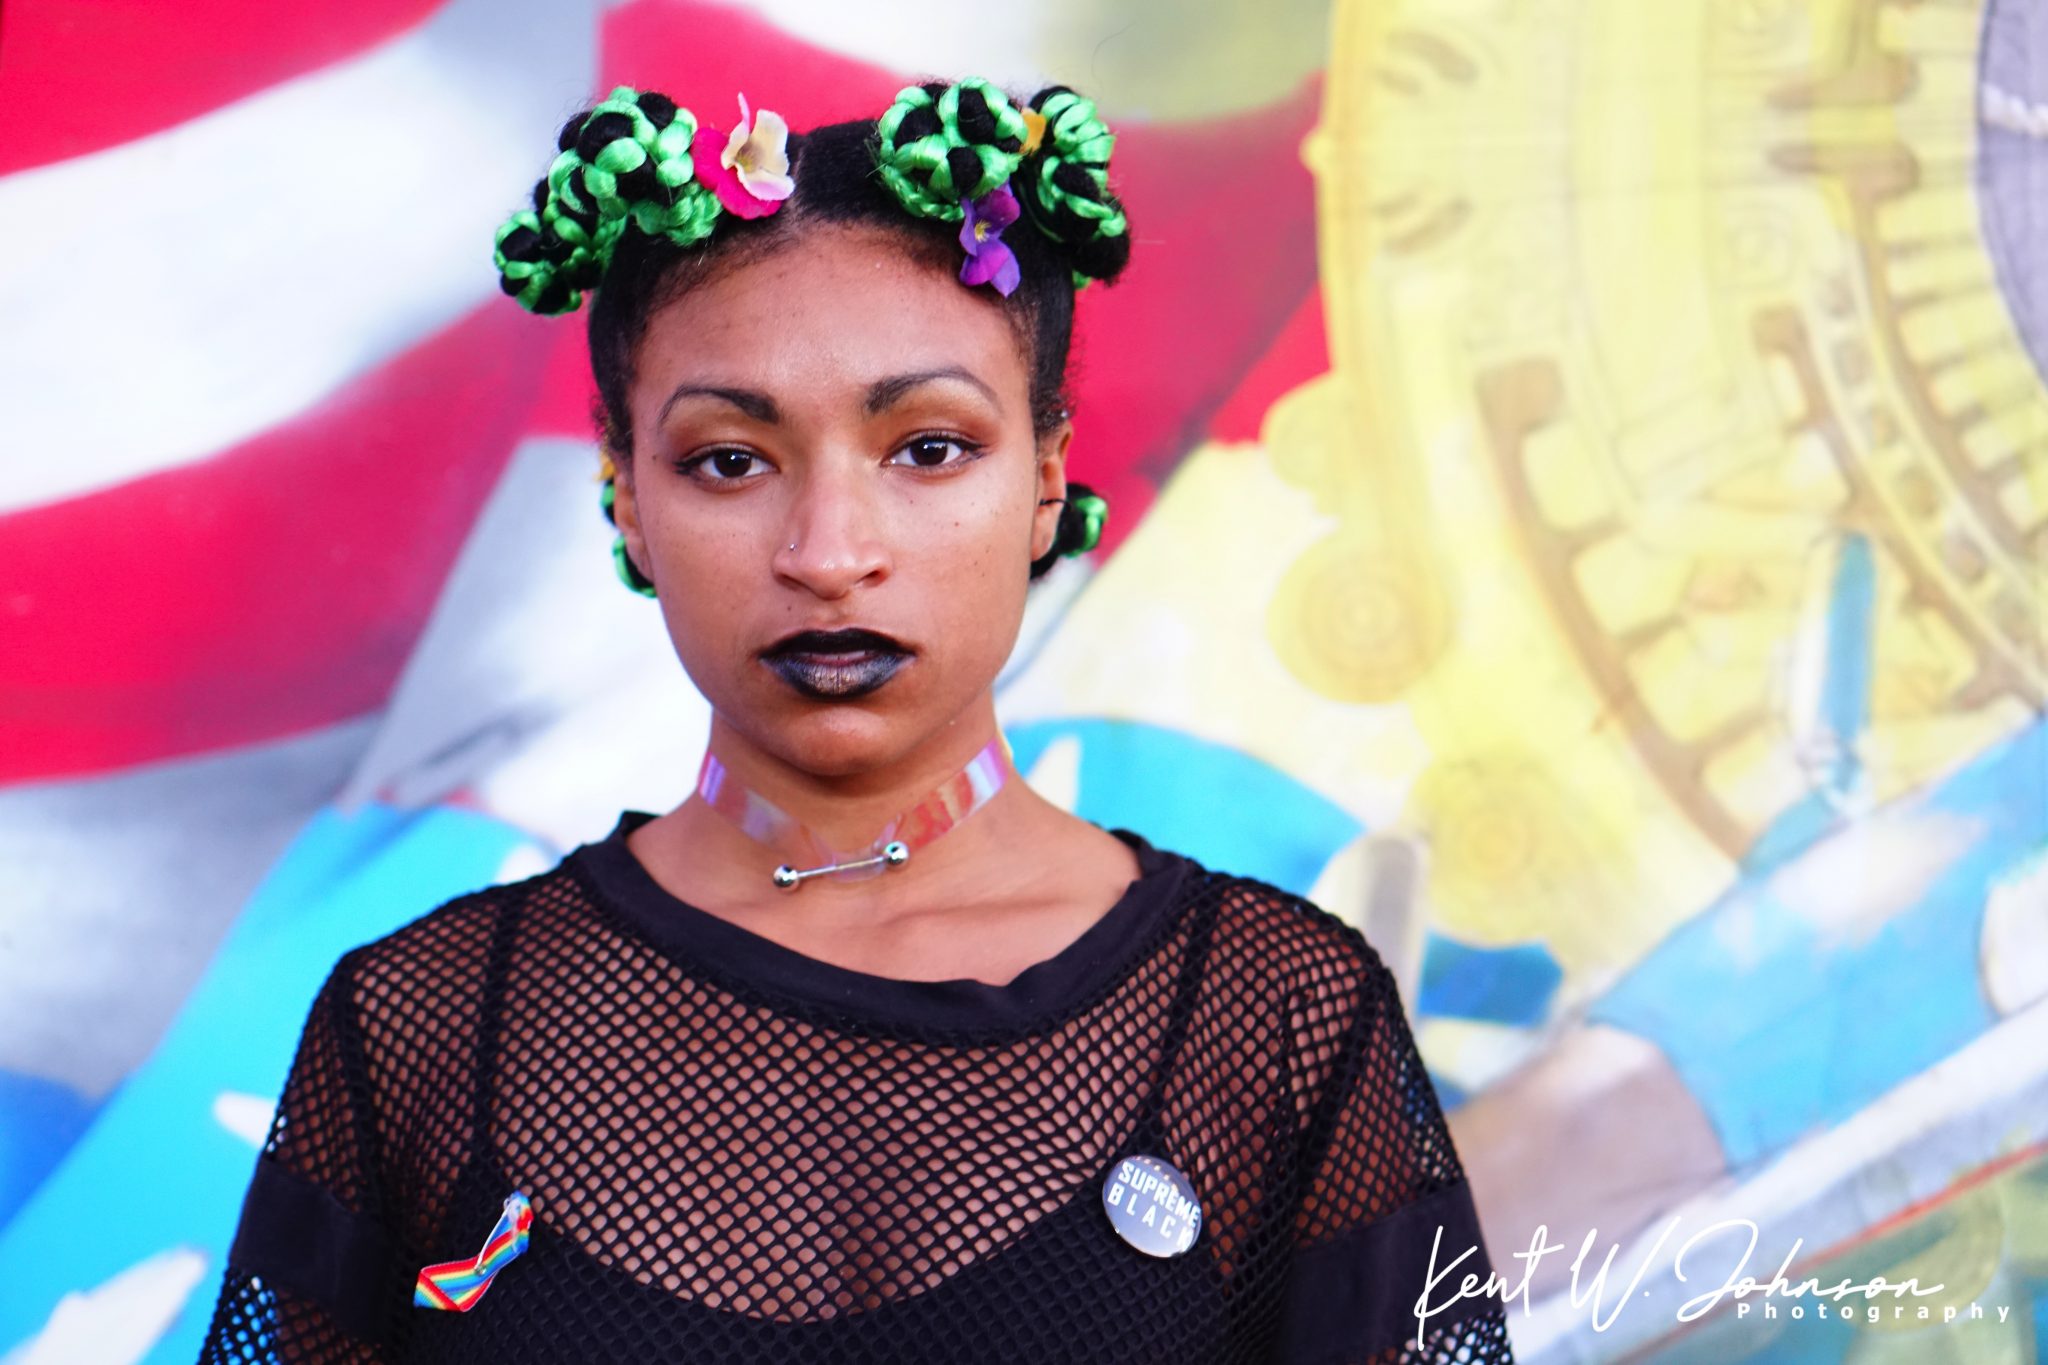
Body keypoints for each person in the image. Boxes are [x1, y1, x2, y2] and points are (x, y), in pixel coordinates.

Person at [195, 76, 1515, 1364]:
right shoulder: (424, 1025)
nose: (830, 553)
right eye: (730, 460)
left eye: (929, 448)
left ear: (1046, 484)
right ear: (629, 503)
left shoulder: (1278, 1016)